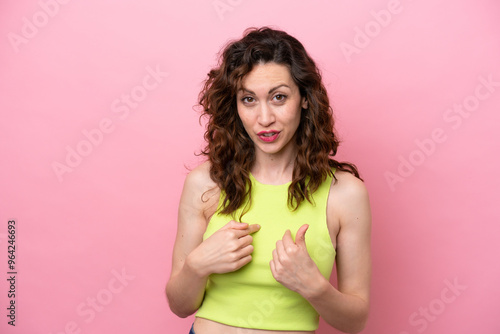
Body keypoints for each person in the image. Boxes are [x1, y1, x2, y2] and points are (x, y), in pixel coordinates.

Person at [166, 27, 371, 334]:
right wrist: (198, 264)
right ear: (234, 106)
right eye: (248, 99)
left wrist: (314, 287)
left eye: (278, 97)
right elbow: (180, 305)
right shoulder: (204, 183)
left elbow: (355, 322)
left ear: (304, 98)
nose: (264, 118)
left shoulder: (345, 194)